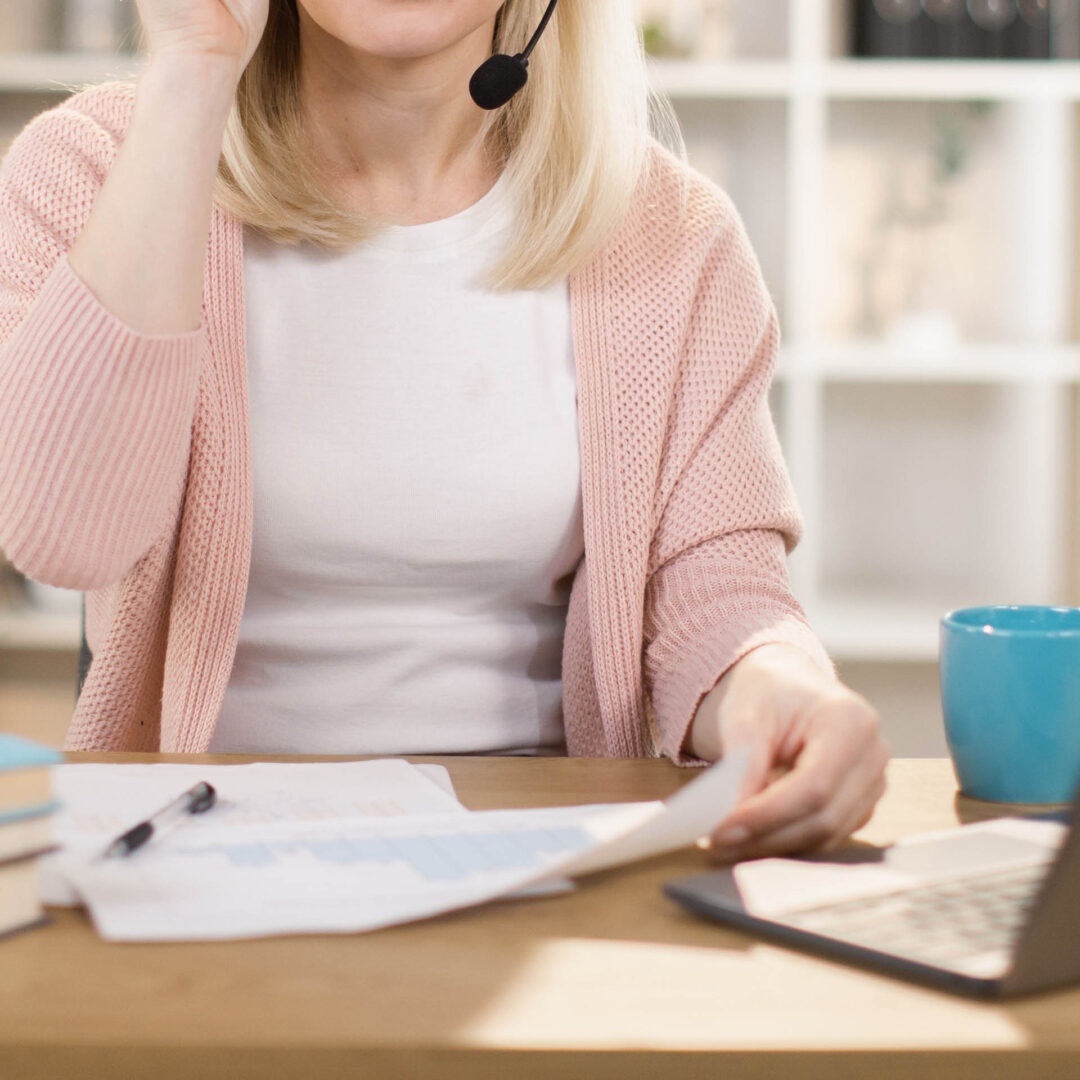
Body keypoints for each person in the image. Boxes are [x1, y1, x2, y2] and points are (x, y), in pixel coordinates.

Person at [0, 0, 888, 860]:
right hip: (199, 855)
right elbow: (63, 541)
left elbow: (722, 594)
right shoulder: (96, 167)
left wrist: (780, 687)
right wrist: (190, 76)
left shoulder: (674, 234)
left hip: (539, 863)